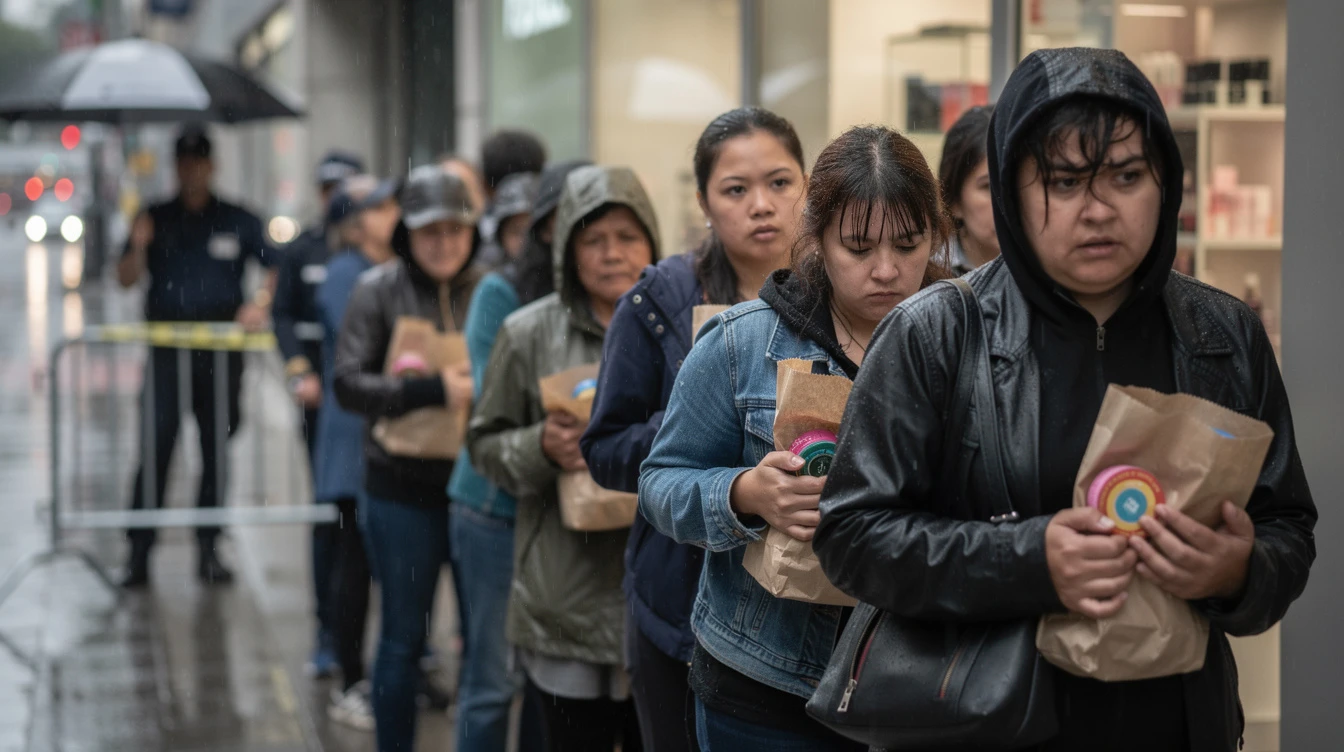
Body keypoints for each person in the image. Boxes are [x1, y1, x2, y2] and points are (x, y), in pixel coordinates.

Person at [812, 48, 1317, 752]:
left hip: (1174, 720)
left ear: (1165, 181)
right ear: (1011, 194)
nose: (1099, 209)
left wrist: (1238, 572)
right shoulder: (936, 332)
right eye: (1063, 181)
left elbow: (1288, 527)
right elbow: (852, 536)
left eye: (1127, 176)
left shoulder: (1221, 334)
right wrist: (1028, 559)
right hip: (984, 724)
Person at [639, 125, 949, 751]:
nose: (886, 270)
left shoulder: (965, 338)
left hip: (923, 677)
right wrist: (746, 494)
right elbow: (660, 482)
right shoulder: (742, 343)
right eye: (857, 248)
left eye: (908, 245)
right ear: (817, 237)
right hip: (764, 683)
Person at [580, 107, 806, 752]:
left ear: (808, 187)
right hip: (677, 601)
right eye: (736, 190)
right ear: (705, 203)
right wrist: (703, 437)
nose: (761, 205)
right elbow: (604, 446)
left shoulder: (840, 289)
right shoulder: (658, 301)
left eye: (780, 182)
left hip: (804, 611)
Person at [467, 165, 658, 751]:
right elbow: (484, 444)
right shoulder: (527, 333)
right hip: (561, 595)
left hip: (651, 589)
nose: (611, 255)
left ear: (652, 241)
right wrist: (538, 446)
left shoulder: (674, 326)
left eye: (627, 237)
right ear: (567, 250)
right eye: (593, 240)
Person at [334, 165, 482, 752]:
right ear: (406, 235)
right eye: (429, 232)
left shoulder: (489, 290)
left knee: (483, 642)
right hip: (399, 491)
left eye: (455, 229)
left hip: (478, 488)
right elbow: (347, 383)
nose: (444, 243)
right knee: (401, 636)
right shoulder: (378, 290)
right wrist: (432, 390)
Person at [446, 158, 588, 752]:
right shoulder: (501, 293)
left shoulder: (610, 294)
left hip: (564, 512)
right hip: (494, 508)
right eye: (566, 221)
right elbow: (493, 398)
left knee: (547, 682)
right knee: (491, 676)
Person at [116, 124, 277, 588]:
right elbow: (124, 277)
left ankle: (209, 547)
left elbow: (275, 268)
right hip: (167, 355)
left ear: (211, 165)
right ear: (176, 167)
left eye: (199, 162)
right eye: (184, 163)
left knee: (216, 451)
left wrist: (259, 305)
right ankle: (139, 550)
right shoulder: (154, 217)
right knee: (155, 448)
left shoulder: (238, 217)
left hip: (220, 356)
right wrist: (139, 244)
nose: (191, 171)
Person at [273, 149, 366, 678]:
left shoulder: (374, 258)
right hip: (322, 399)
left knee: (360, 523)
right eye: (331, 189)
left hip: (360, 400)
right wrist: (297, 369)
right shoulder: (305, 250)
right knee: (328, 515)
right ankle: (328, 630)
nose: (339, 199)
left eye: (348, 190)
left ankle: (359, 633)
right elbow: (282, 313)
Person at [312, 174, 399, 731]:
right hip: (351, 442)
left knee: (393, 570)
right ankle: (349, 677)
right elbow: (374, 350)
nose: (394, 215)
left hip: (391, 441)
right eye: (383, 206)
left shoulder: (397, 272)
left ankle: (389, 676)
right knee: (351, 567)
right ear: (359, 218)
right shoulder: (347, 275)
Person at [939, 105, 998, 274]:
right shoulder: (926, 272)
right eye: (988, 187)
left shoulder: (1053, 266)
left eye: (1014, 184)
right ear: (954, 200)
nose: (1007, 202)